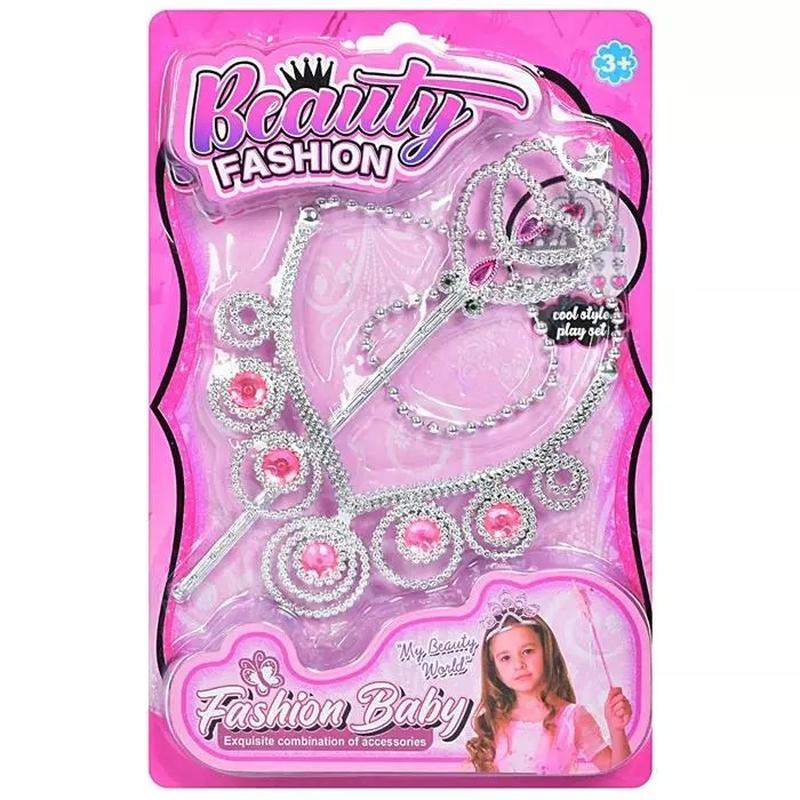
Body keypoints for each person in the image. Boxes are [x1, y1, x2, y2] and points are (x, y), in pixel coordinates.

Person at [466, 602, 632, 774]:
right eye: (505, 658)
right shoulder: (493, 721)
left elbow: (620, 776)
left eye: (527, 651)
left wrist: (616, 730)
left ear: (547, 651)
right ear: (494, 669)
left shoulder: (572, 718)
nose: (518, 664)